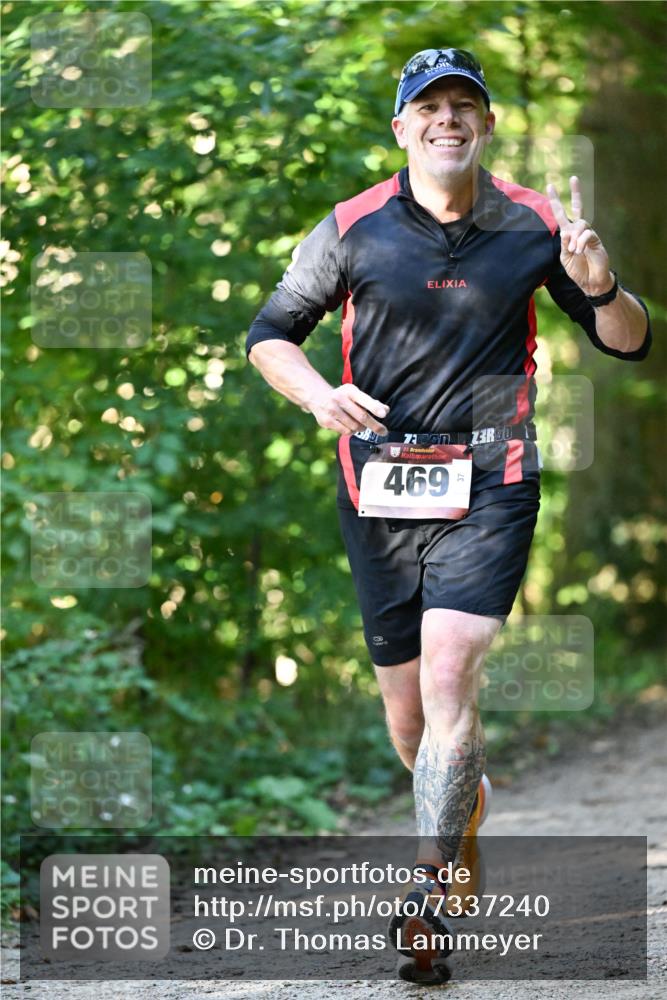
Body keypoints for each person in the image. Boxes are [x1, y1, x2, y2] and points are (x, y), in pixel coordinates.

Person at [246, 47, 651, 982]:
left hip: (492, 477)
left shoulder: (535, 223)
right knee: (408, 721)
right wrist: (316, 396)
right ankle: (459, 825)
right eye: (428, 107)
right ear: (401, 127)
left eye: (464, 104)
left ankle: (426, 895)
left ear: (486, 125)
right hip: (377, 487)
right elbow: (271, 335)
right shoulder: (351, 226)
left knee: (450, 671)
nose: (446, 120)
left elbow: (627, 343)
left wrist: (596, 285)